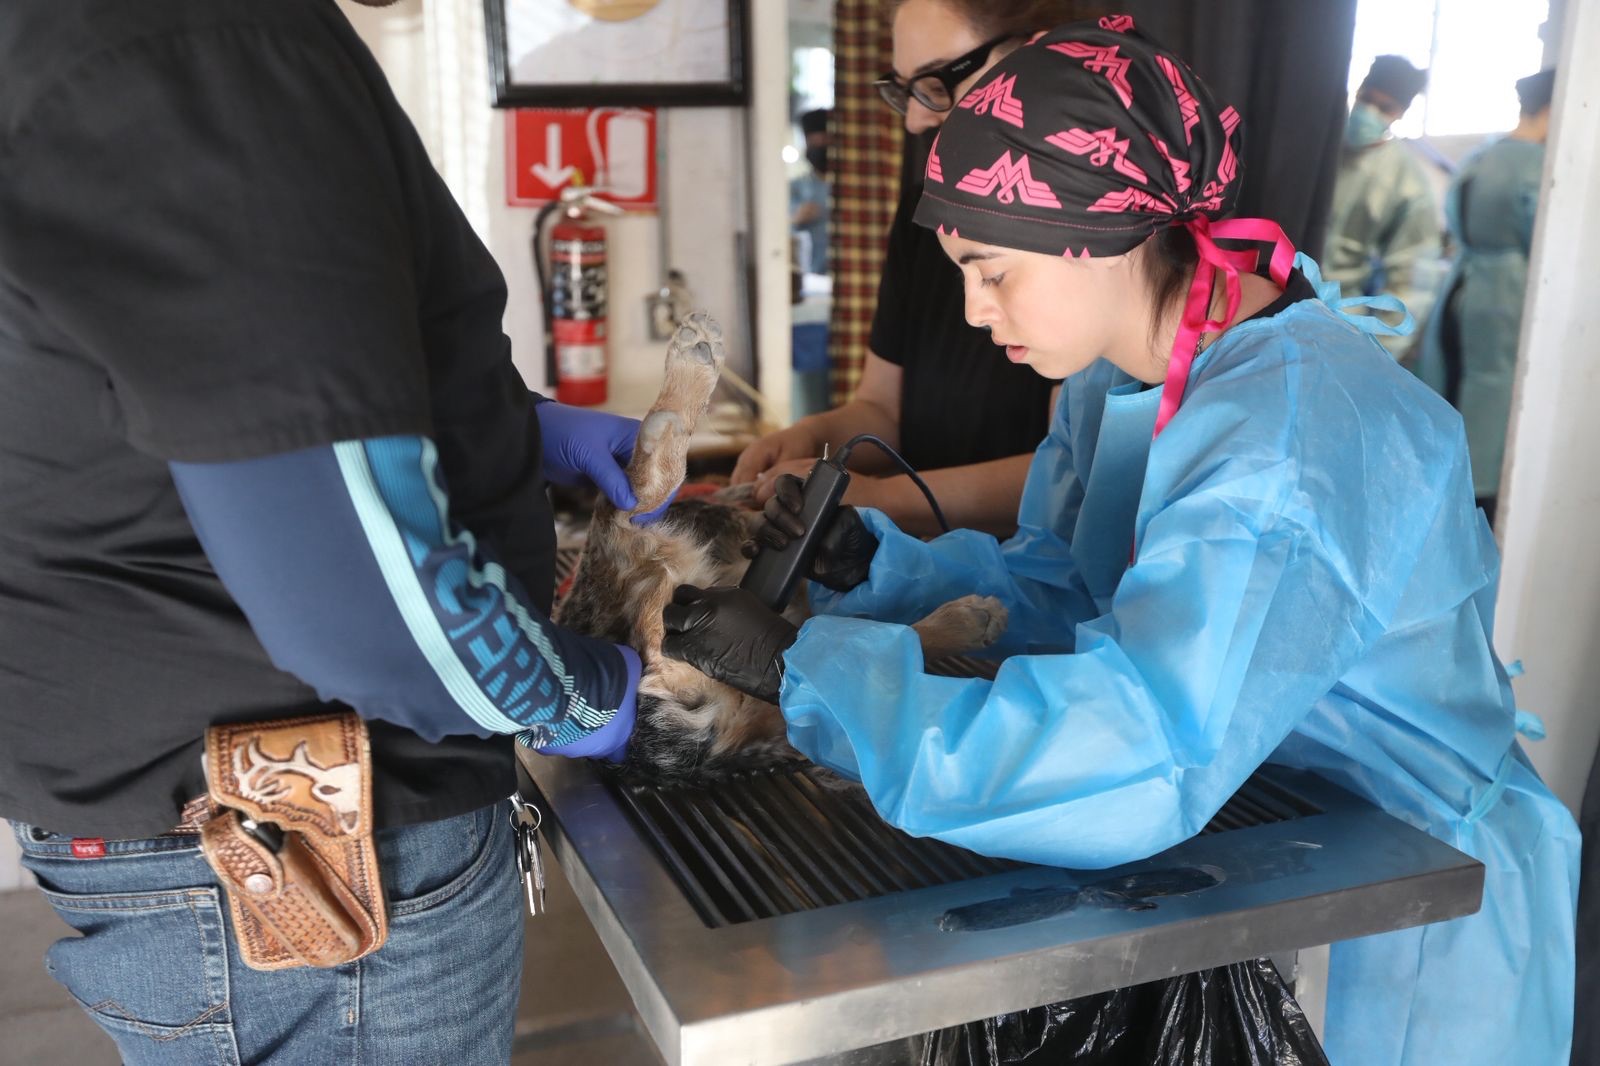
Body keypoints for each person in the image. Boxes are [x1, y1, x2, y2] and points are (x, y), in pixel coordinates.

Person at [662, 18, 1577, 1066]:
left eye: (993, 271)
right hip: (1280, 835)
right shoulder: (1121, 379)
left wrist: (813, 678)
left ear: (1102, 232)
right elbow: (1070, 587)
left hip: (1410, 908)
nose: (971, 308)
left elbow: (1146, 746)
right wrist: (881, 566)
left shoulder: (1287, 439)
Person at [0, 1, 666, 1061]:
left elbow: (170, 394)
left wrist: (510, 429)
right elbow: (361, 606)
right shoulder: (200, 43)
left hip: (206, 815)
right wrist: (578, 695)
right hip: (301, 843)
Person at [731, 0, 1087, 537]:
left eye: (938, 83)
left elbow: (1074, 475)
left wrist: (882, 497)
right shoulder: (922, 217)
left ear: (1034, 58)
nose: (918, 118)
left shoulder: (1096, 234)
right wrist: (813, 439)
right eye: (904, 89)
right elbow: (882, 409)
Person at [1413, 67, 1557, 527]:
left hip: (1460, 288)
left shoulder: (1481, 156)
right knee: (1491, 408)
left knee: (1450, 387)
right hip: (1506, 298)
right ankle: (1479, 512)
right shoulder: (1539, 167)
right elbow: (1546, 240)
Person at [1324, 54, 1441, 360]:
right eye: (1366, 99)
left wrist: (1377, 352)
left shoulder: (1406, 180)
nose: (1369, 112)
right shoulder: (1320, 146)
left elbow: (1414, 278)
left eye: (1385, 107)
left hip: (1340, 321)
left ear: (1400, 114)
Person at [791, 108, 832, 276]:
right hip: (811, 277)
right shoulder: (795, 187)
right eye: (814, 142)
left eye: (825, 140)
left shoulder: (851, 187)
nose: (820, 146)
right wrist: (796, 220)